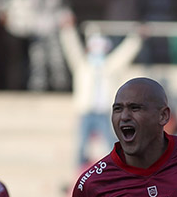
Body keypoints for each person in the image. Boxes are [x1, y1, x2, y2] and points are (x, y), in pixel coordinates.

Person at [60, 24, 143, 165]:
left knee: (110, 142)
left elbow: (124, 54)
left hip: (104, 111)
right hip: (86, 111)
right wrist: (67, 31)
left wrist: (137, 38)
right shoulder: (83, 65)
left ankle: (117, 167)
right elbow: (72, 49)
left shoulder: (109, 66)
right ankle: (79, 173)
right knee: (81, 145)